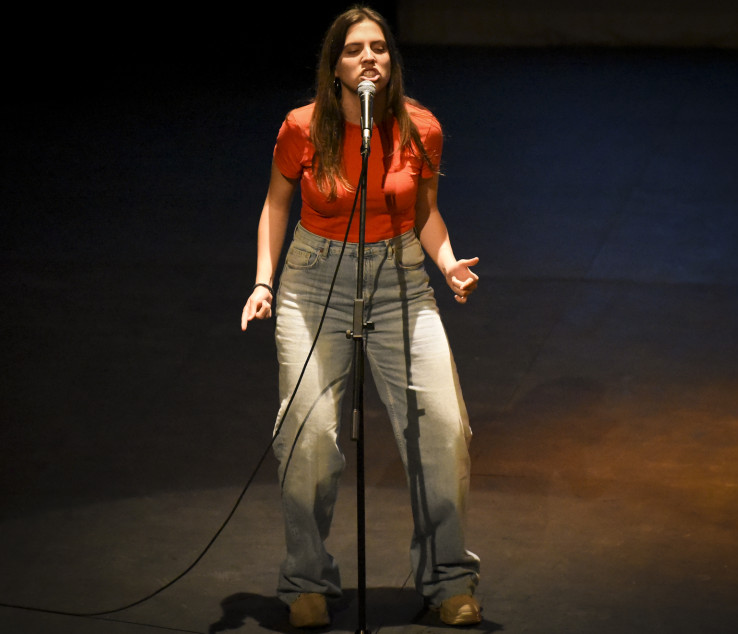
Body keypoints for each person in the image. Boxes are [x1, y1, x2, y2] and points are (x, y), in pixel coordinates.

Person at [240, 5, 482, 628]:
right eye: (354, 49)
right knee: (310, 436)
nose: (368, 57)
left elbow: (426, 211)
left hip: (400, 277)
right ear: (335, 65)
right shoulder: (302, 126)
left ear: (391, 62)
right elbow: (275, 204)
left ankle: (449, 578)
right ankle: (305, 581)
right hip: (312, 279)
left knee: (443, 429)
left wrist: (448, 263)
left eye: (379, 47)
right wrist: (264, 282)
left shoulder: (418, 127)